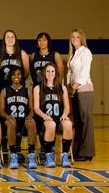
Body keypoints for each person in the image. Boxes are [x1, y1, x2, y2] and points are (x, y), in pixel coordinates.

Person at [30, 32, 64, 160]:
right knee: (40, 118)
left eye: (44, 40)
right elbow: (31, 73)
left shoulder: (55, 55)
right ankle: (43, 146)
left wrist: (54, 87)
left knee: (53, 117)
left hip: (52, 90)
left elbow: (60, 73)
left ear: (48, 42)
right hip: (38, 90)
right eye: (39, 40)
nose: (42, 42)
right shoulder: (33, 56)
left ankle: (51, 144)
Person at [0, 29, 29, 158]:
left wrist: (16, 81)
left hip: (18, 90)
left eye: (12, 36)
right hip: (4, 89)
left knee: (18, 118)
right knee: (5, 118)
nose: (10, 39)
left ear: (15, 39)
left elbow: (25, 72)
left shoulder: (22, 54)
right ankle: (4, 147)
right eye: (7, 37)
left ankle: (17, 149)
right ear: (4, 39)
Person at [34, 63, 73, 168]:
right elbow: (36, 108)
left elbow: (67, 107)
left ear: (56, 73)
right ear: (44, 73)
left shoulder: (62, 88)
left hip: (59, 118)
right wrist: (44, 116)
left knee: (68, 124)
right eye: (48, 71)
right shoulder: (38, 88)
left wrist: (65, 115)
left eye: (52, 71)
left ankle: (65, 155)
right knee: (51, 125)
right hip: (45, 119)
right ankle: (48, 156)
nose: (50, 73)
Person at [0, 67, 37, 169]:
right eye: (14, 75)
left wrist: (30, 116)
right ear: (10, 77)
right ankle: (13, 155)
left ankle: (31, 155)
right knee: (11, 123)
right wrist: (8, 117)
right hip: (11, 120)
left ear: (22, 76)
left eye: (19, 74)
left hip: (23, 120)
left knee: (32, 123)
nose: (16, 76)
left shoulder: (27, 91)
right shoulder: (4, 91)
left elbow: (32, 109)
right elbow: (2, 111)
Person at [66, 29, 95, 161]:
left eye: (77, 37)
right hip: (74, 90)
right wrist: (68, 87)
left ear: (82, 38)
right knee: (77, 122)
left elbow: (84, 72)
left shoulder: (86, 52)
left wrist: (75, 86)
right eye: (72, 37)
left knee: (85, 121)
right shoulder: (73, 54)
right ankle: (76, 151)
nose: (74, 39)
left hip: (84, 89)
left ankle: (87, 152)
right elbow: (70, 72)